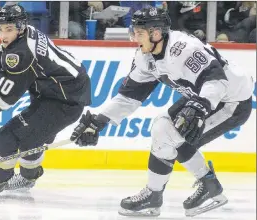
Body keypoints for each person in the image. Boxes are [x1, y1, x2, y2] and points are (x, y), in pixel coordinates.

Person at [70, 7, 254, 217]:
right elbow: (129, 97)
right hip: (203, 97)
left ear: (156, 33)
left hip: (232, 100)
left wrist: (200, 106)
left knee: (175, 136)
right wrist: (99, 121)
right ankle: (159, 195)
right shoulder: (145, 57)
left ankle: (201, 189)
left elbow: (216, 79)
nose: (134, 38)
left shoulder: (183, 48)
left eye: (139, 33)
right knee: (163, 128)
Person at [0, 4, 91, 197]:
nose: (3, 35)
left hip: (64, 100)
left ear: (20, 27)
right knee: (32, 140)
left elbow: (2, 100)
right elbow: (4, 50)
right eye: (0, 29)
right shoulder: (27, 33)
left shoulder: (21, 54)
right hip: (61, 92)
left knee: (6, 136)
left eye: (9, 29)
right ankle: (29, 177)